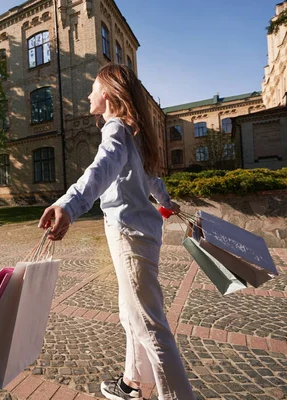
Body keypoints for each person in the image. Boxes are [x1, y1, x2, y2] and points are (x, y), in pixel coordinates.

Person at [38, 64, 194, 400]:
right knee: (131, 313)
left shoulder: (116, 131)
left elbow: (100, 169)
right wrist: (165, 202)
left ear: (107, 94)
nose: (88, 94)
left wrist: (69, 205)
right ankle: (133, 383)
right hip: (139, 233)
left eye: (93, 88)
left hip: (128, 235)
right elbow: (152, 179)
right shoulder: (132, 134)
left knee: (150, 325)